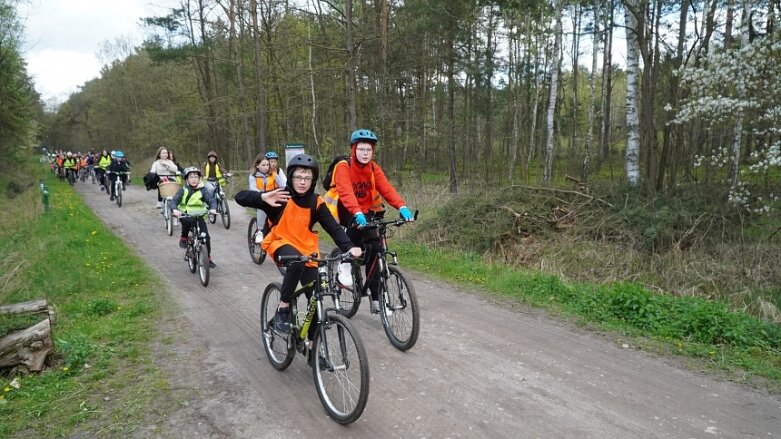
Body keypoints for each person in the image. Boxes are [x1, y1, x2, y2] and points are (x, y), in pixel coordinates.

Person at [234, 154, 361, 334]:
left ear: (313, 180)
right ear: (291, 176)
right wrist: (262, 197)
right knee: (296, 262)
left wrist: (349, 247)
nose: (302, 182)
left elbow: (334, 228)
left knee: (315, 299)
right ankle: (283, 308)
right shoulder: (280, 197)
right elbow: (239, 197)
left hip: (307, 250)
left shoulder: (316, 202)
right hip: (280, 244)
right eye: (298, 177)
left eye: (307, 178)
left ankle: (313, 346)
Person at [333, 129, 415, 313]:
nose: (364, 153)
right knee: (355, 231)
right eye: (361, 149)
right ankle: (344, 265)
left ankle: (377, 298)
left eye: (368, 150)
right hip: (347, 209)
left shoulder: (373, 168)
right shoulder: (343, 167)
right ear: (353, 149)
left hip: (367, 210)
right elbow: (345, 192)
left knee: (377, 249)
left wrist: (401, 207)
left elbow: (386, 188)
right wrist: (356, 212)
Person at [170, 167, 218, 268]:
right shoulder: (183, 190)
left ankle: (208, 258)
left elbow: (211, 199)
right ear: (186, 179)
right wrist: (175, 210)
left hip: (199, 215)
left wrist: (213, 208)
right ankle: (184, 236)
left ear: (199, 178)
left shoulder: (203, 189)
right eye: (191, 177)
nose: (194, 179)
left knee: (206, 237)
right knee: (188, 222)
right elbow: (174, 201)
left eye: (196, 177)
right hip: (185, 214)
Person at [248, 154, 286, 243]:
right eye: (263, 165)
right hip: (258, 199)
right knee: (262, 208)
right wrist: (263, 195)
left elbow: (283, 186)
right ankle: (260, 231)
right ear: (257, 165)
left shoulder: (273, 174)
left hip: (272, 199)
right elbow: (253, 189)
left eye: (267, 165)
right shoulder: (253, 176)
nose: (266, 167)